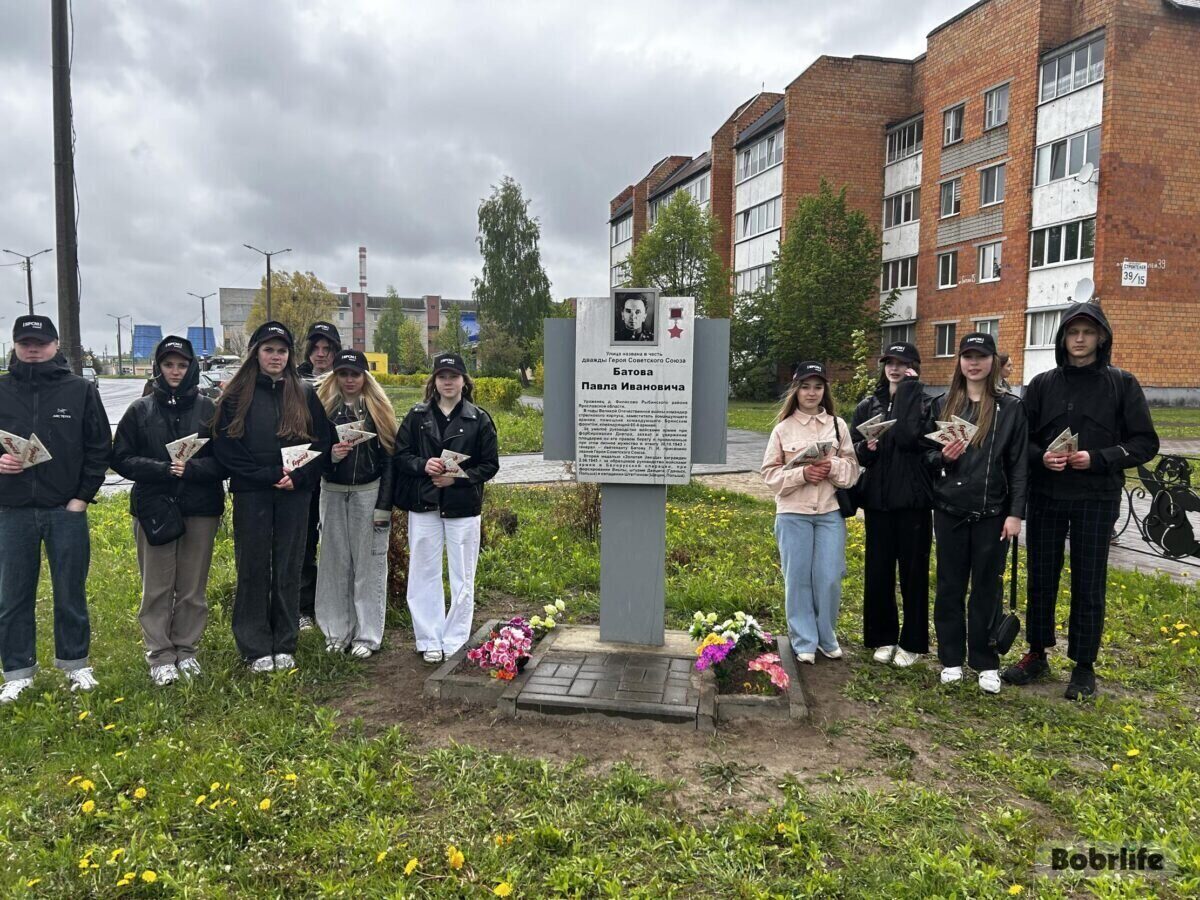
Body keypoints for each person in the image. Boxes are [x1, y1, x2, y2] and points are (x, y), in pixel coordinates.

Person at [1002, 303, 1158, 700]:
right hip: (1047, 495)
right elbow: (1022, 441)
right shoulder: (1041, 384)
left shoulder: (1122, 384)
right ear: (1063, 338)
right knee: (1042, 576)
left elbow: (1145, 443)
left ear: (1101, 337)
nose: (1080, 339)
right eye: (1073, 332)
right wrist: (1042, 457)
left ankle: (1084, 665)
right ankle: (1037, 652)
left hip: (1096, 497)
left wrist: (1099, 458)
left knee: (1089, 581)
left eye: (1088, 332)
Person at [0, 315, 111, 703]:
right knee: (13, 595)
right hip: (11, 510)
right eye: (25, 343)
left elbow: (99, 447)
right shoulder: (1, 389)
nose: (33, 349)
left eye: (40, 343)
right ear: (15, 345)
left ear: (56, 344)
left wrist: (81, 498)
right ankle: (17, 672)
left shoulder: (80, 390)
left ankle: (75, 663)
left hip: (65, 510)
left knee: (70, 592)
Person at [212, 321, 331, 674]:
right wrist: (267, 475)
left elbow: (323, 443)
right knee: (253, 567)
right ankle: (254, 645)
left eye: (281, 351)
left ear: (289, 355)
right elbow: (226, 449)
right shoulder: (236, 395)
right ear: (256, 353)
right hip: (253, 494)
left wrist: (300, 477)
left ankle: (284, 641)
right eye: (269, 350)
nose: (276, 357)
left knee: (288, 566)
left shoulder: (304, 393)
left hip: (295, 494)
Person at [112, 336, 226, 686]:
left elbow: (226, 460)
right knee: (157, 586)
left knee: (192, 587)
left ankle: (187, 649)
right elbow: (120, 458)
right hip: (154, 507)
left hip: (200, 508)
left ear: (191, 367)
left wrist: (192, 470)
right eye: (168, 364)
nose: (175, 371)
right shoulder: (140, 409)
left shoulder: (210, 409)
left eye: (181, 365)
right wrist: (162, 468)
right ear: (158, 367)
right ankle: (160, 654)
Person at [922, 332, 1027, 694]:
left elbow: (1018, 465)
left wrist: (1015, 513)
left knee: (986, 587)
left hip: (992, 514)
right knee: (950, 586)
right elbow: (923, 456)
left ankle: (985, 661)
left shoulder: (1010, 408)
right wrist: (941, 457)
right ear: (960, 362)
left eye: (981, 356)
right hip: (949, 511)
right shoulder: (941, 405)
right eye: (968, 356)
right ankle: (951, 658)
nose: (974, 363)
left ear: (993, 361)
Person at [394, 353, 499, 663]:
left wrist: (458, 478)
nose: (448, 382)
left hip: (463, 507)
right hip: (423, 504)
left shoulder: (479, 419)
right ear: (434, 381)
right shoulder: (417, 416)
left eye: (454, 376)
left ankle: (455, 639)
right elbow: (400, 456)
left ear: (464, 381)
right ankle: (429, 639)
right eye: (442, 376)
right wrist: (422, 465)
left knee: (462, 575)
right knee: (423, 572)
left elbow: (490, 465)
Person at [761, 361, 860, 664]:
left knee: (829, 576)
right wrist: (802, 475)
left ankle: (826, 636)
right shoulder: (783, 428)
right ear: (796, 390)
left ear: (824, 390)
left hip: (830, 511)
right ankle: (804, 639)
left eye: (818, 387)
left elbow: (852, 470)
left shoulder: (838, 425)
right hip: (793, 513)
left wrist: (833, 467)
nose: (812, 393)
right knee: (798, 578)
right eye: (805, 386)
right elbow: (770, 476)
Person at [850, 342, 933, 668]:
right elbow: (855, 451)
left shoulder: (927, 404)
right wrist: (866, 449)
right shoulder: (868, 405)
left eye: (902, 363)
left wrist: (908, 393)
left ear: (914, 367)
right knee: (879, 572)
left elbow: (912, 440)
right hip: (878, 502)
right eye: (889, 363)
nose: (895, 368)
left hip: (913, 502)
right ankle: (882, 637)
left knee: (914, 575)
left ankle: (912, 642)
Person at [315, 349, 397, 658]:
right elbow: (312, 456)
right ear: (335, 376)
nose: (349, 380)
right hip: (333, 493)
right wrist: (332, 457)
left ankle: (368, 635)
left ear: (365, 377)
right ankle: (336, 632)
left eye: (355, 374)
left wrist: (384, 505)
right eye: (343, 374)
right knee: (334, 564)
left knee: (369, 566)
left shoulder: (378, 410)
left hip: (368, 493)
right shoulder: (323, 410)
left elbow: (390, 461)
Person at [296, 321, 342, 632]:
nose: (321, 354)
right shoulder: (294, 380)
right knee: (304, 541)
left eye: (327, 348)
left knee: (335, 542)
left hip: (339, 472)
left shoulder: (346, 379)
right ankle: (303, 606)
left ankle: (333, 602)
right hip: (304, 471)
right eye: (316, 348)